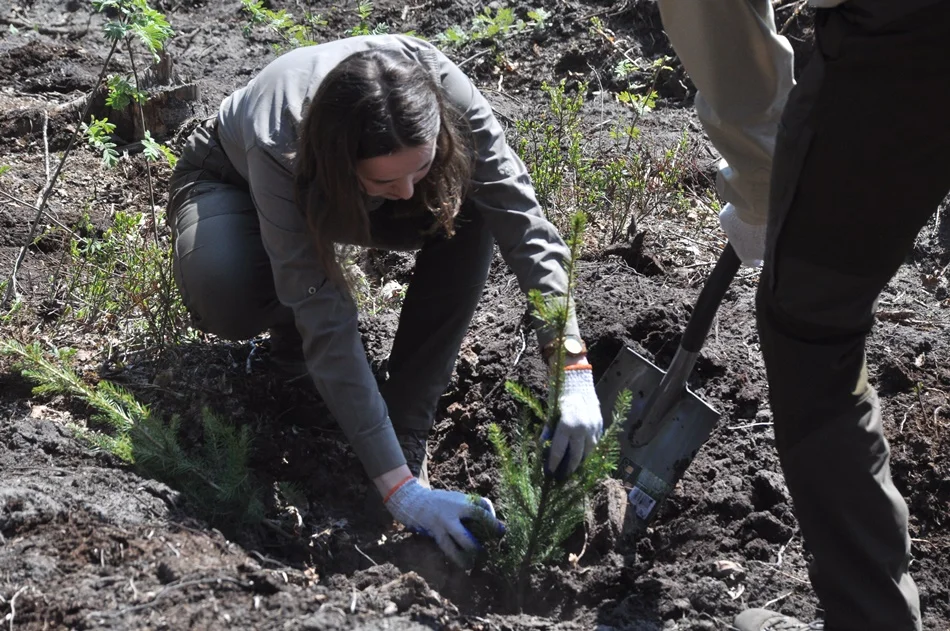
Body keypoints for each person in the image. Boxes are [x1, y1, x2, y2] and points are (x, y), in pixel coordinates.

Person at [165, 34, 604, 569]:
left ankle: (406, 423)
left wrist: (572, 362)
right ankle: (287, 350)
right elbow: (324, 313)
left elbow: (524, 224)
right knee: (225, 286)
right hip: (234, 184)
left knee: (473, 209)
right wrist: (401, 493)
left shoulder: (448, 99)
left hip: (348, 183)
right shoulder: (278, 142)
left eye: (419, 170)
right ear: (342, 160)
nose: (407, 194)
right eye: (386, 179)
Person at [657, 0, 950, 629]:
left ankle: (871, 620)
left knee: (811, 327)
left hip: (910, 43)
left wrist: (764, 190)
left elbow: (714, 19)